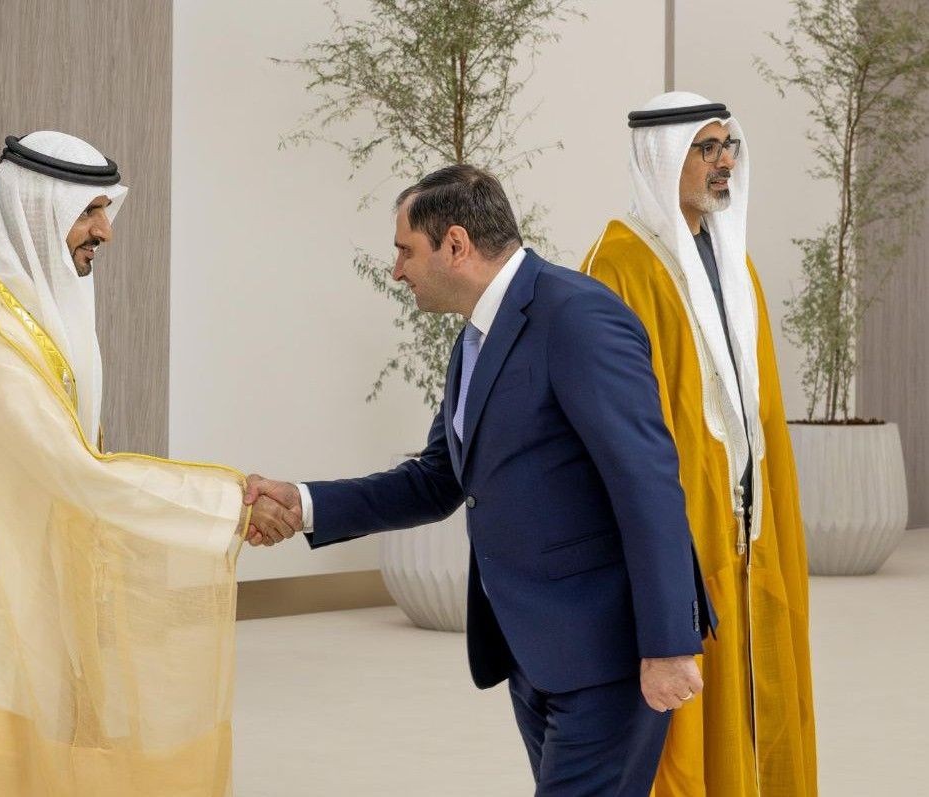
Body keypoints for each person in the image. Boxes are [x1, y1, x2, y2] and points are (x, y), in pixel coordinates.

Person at [246, 164, 714, 795]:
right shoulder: (475, 338)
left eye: (405, 250)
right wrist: (303, 504)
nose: (397, 271)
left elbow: (648, 484)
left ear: (456, 244)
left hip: (610, 653)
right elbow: (438, 480)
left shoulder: (578, 316)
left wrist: (669, 644)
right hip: (535, 651)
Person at [0, 131, 299, 796]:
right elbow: (78, 471)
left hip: (39, 585)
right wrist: (231, 505)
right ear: (36, 212)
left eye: (105, 209)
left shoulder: (31, 307)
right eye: (89, 212)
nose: (105, 231)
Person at [580, 92, 817, 795]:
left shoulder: (734, 259)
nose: (724, 163)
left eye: (727, 147)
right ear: (661, 158)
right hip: (680, 523)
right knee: (680, 725)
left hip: (746, 519)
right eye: (705, 148)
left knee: (757, 686)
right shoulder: (617, 265)